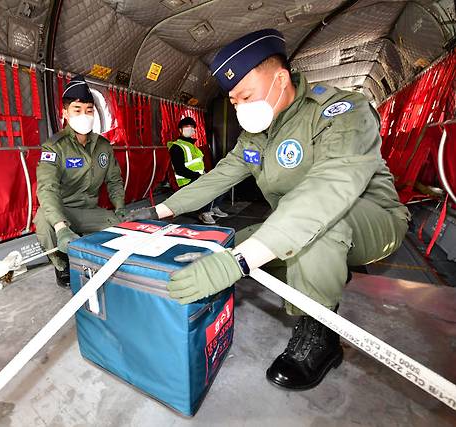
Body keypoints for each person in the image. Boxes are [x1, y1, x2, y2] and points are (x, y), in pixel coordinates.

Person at [126, 29, 410, 390]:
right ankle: (325, 271)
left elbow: (328, 189)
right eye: (233, 101)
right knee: (231, 243)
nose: (240, 106)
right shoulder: (256, 136)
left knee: (314, 233)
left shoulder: (341, 111)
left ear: (280, 78)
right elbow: (219, 177)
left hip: (372, 218)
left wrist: (241, 261)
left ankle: (319, 334)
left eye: (246, 95)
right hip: (293, 222)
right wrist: (160, 211)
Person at [35, 75, 126, 288]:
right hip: (63, 210)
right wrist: (60, 227)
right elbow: (47, 188)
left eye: (89, 110)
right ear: (65, 113)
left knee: (124, 228)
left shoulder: (103, 146)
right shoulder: (54, 147)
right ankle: (62, 264)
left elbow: (114, 180)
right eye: (77, 109)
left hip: (90, 210)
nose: (84, 115)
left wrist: (120, 207)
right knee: (42, 222)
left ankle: (101, 259)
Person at [167, 117, 228, 225]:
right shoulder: (177, 147)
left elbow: (198, 165)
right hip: (186, 180)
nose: (189, 129)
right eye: (186, 127)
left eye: (192, 127)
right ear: (180, 130)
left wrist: (205, 174)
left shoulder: (193, 146)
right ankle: (204, 212)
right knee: (209, 186)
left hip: (197, 176)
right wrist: (199, 176)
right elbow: (180, 170)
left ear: (195, 130)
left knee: (223, 181)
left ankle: (214, 207)